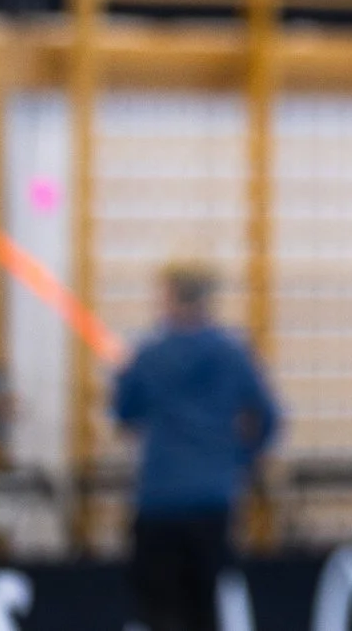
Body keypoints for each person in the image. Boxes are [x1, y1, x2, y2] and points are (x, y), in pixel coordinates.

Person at [111, 262, 279, 631]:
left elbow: (123, 414)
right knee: (206, 608)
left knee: (159, 611)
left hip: (159, 502)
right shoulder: (233, 354)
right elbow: (268, 418)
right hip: (214, 501)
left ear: (170, 297)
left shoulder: (148, 356)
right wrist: (238, 462)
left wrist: (126, 375)